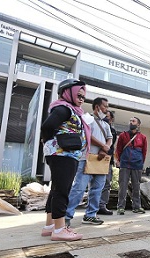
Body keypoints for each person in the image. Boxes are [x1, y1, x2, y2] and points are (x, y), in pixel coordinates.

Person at [40, 78, 89, 241]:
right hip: (63, 154)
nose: (81, 99)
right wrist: (49, 141)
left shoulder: (69, 109)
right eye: (78, 95)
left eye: (83, 97)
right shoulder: (64, 108)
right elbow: (47, 127)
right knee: (63, 190)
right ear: (67, 92)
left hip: (62, 154)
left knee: (56, 189)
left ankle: (50, 226)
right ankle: (60, 229)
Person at [65, 97, 112, 226]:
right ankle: (66, 216)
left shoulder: (106, 124)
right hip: (86, 158)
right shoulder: (87, 119)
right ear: (97, 107)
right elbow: (87, 135)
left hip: (100, 159)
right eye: (105, 106)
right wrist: (104, 146)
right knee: (79, 188)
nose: (106, 109)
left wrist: (105, 148)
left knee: (97, 189)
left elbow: (110, 138)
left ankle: (90, 215)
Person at [115, 117, 148, 215]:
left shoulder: (143, 137)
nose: (131, 122)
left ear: (138, 124)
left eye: (133, 121)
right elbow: (118, 149)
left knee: (136, 187)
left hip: (137, 164)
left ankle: (137, 207)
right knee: (123, 186)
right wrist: (118, 161)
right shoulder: (123, 135)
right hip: (125, 163)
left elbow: (144, 152)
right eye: (130, 121)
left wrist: (141, 163)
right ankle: (120, 207)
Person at [98, 110, 117, 215]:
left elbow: (111, 144)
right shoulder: (97, 126)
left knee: (106, 183)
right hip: (96, 158)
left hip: (107, 159)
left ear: (111, 119)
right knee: (95, 183)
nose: (105, 117)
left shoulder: (113, 131)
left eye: (107, 116)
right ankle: (93, 206)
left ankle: (102, 205)